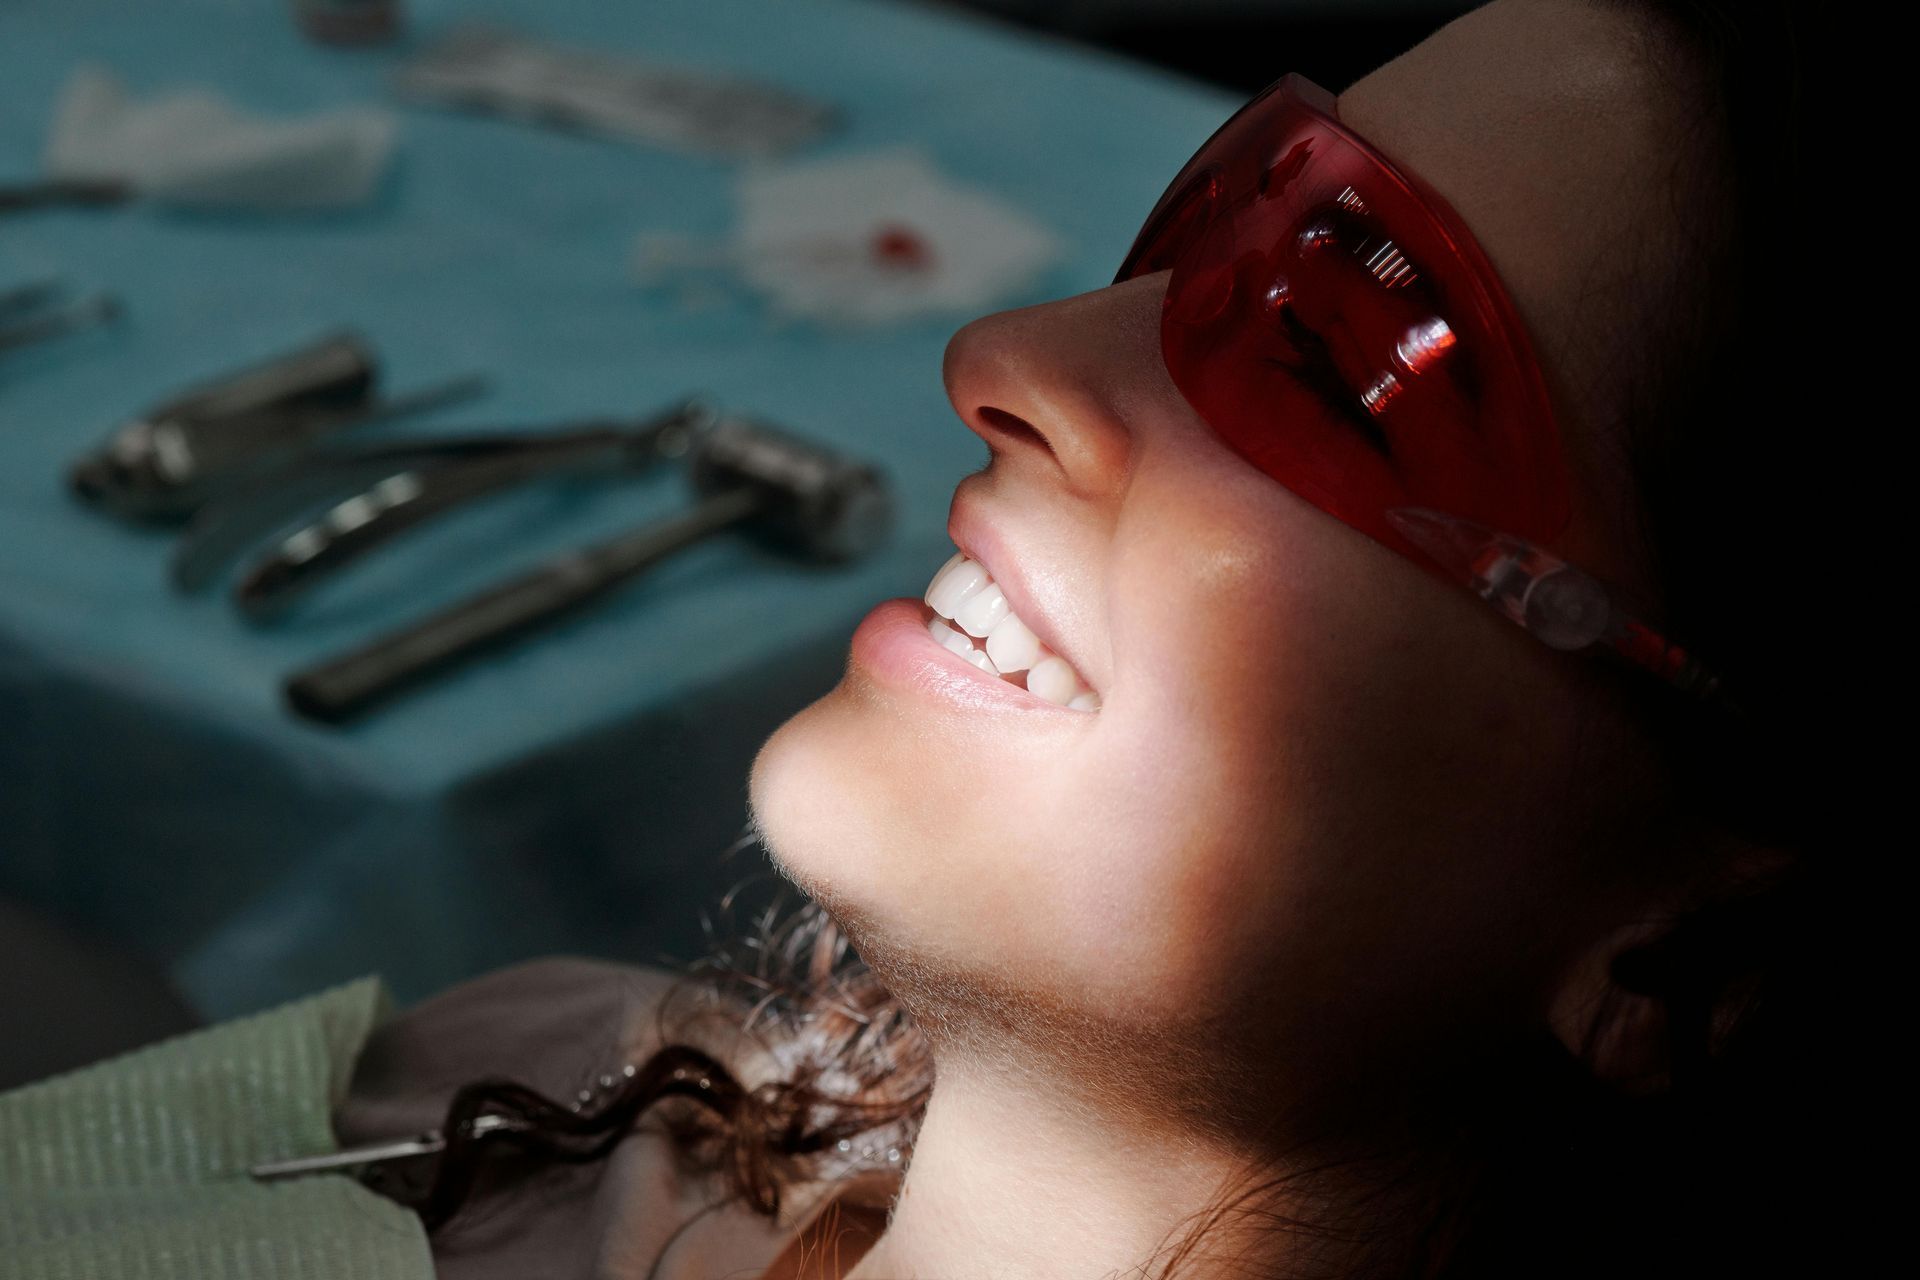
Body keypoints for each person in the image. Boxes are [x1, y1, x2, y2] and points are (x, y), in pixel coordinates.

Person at [24, 1, 1866, 1277]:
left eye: (1333, 356)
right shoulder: (558, 1093)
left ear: (1699, 946)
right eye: (1211, 217)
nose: (1014, 358)